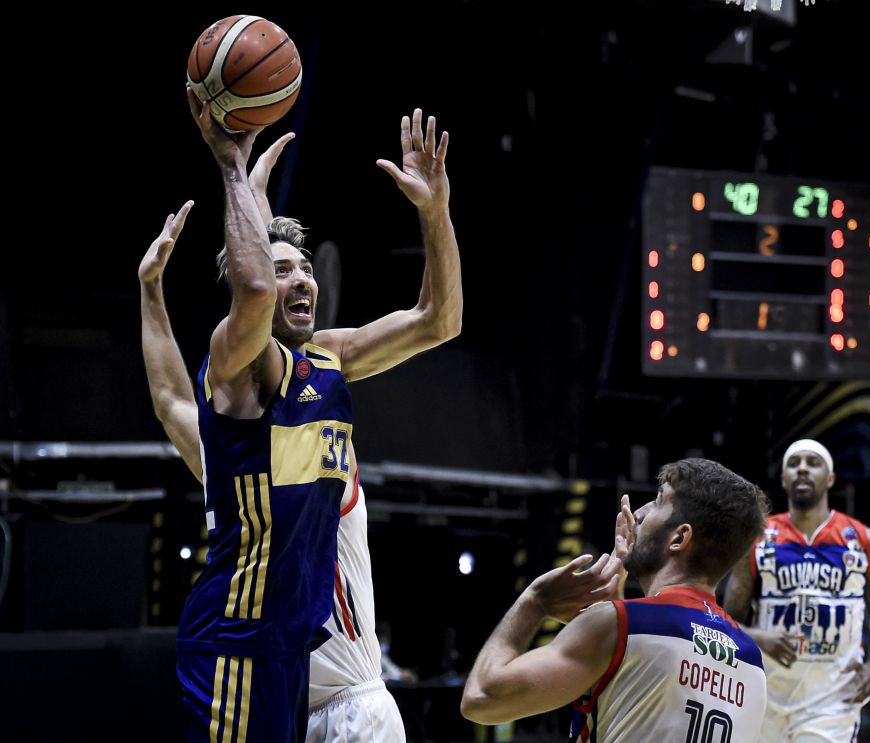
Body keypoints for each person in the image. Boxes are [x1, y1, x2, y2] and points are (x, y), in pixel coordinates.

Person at [163, 87, 461, 743]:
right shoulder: (232, 384)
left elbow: (438, 320)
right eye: (283, 270)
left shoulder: (327, 358)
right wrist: (156, 286)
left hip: (347, 699)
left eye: (306, 267)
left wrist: (435, 213)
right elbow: (172, 399)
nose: (302, 278)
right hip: (268, 674)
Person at [461, 458, 770, 742]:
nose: (638, 514)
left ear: (679, 538)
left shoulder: (619, 626)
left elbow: (481, 698)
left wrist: (534, 603)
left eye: (658, 501)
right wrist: (615, 603)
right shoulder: (753, 662)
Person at [722, 439, 870, 743]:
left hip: (833, 698)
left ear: (830, 478)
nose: (802, 469)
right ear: (783, 479)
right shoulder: (757, 540)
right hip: (768, 695)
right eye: (794, 463)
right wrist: (760, 637)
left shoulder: (866, 542)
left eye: (813, 463)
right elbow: (727, 620)